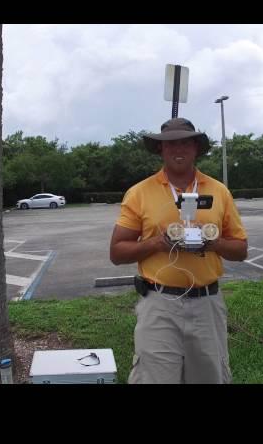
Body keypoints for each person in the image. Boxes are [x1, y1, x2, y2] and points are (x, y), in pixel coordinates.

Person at [109, 117, 248, 384]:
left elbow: (240, 250)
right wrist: (157, 243)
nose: (178, 149)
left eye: (185, 142)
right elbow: (117, 252)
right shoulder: (139, 193)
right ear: (160, 150)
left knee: (210, 377)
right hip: (159, 303)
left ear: (196, 147)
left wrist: (213, 242)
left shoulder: (219, 192)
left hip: (207, 303)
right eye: (170, 144)